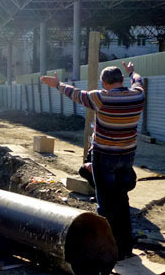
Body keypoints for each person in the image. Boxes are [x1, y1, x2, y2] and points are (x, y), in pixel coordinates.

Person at [40, 61, 145, 260]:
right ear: (122, 80)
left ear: (104, 83)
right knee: (122, 199)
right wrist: (132, 71)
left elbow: (76, 94)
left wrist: (57, 84)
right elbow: (138, 80)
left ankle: (107, 248)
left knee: (105, 203)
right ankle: (125, 249)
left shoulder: (100, 98)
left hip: (104, 156)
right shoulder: (138, 94)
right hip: (127, 156)